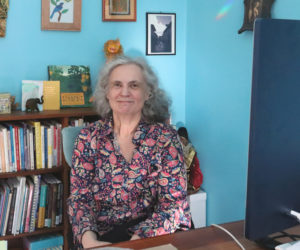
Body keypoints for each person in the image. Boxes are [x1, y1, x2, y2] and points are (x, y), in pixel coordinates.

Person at [67, 56, 192, 249]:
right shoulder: (88, 137)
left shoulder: (166, 138)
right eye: (117, 85)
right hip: (104, 237)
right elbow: (80, 200)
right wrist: (90, 242)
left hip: (156, 233)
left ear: (148, 92)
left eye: (134, 85)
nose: (124, 92)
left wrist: (133, 245)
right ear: (107, 92)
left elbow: (173, 205)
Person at [177, 127, 203, 194]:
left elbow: (187, 166)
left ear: (182, 139)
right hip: (186, 176)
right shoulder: (183, 148)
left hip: (193, 180)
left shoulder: (191, 150)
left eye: (179, 139)